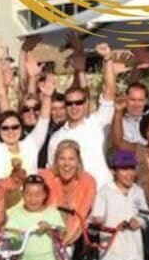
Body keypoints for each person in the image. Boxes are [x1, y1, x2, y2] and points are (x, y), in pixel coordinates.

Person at [46, 42, 121, 189]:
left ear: (86, 104)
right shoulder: (56, 137)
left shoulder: (97, 122)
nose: (74, 106)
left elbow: (110, 90)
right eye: (69, 103)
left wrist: (107, 59)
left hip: (103, 193)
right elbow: (52, 172)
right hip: (75, 201)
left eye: (78, 102)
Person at [0, 67, 53, 180]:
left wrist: (47, 97)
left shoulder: (30, 146)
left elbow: (43, 121)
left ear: (21, 128)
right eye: (5, 128)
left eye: (15, 127)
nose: (10, 131)